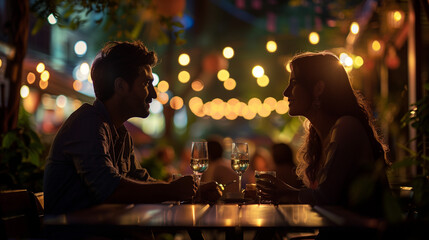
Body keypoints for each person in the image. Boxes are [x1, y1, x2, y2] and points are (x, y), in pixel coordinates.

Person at [43, 41, 220, 215]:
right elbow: (109, 188)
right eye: (145, 84)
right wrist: (172, 190)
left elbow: (141, 181)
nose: (153, 94)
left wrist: (194, 190)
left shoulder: (119, 132)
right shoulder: (87, 124)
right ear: (121, 86)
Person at [257, 51, 390, 219]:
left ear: (318, 88)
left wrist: (285, 192)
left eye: (294, 83)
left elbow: (326, 197)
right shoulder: (321, 135)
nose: (286, 92)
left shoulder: (346, 127)